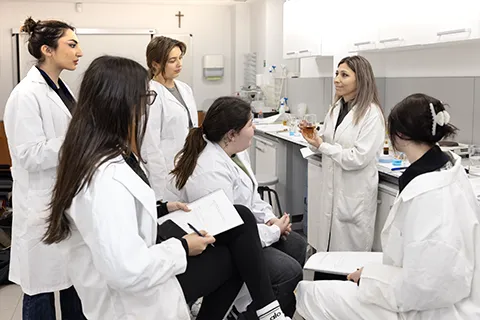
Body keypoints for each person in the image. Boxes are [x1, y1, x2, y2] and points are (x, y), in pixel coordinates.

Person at [42, 55, 292, 320]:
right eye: (145, 100)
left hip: (145, 257)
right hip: (134, 295)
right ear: (121, 104)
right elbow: (126, 269)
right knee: (236, 251)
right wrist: (183, 247)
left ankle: (268, 311)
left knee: (239, 217)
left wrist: (162, 208)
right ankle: (270, 312)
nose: (145, 110)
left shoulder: (101, 154)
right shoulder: (106, 178)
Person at [295, 93, 480, 320]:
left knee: (311, 293)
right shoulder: (448, 172)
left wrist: (371, 280)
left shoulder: (429, 196)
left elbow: (424, 286)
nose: (337, 80)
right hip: (429, 284)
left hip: (431, 308)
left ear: (399, 135)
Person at [170, 96, 307, 317]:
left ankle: (254, 304)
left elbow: (251, 198)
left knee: (297, 245)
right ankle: (250, 313)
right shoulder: (210, 170)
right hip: (223, 243)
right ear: (231, 134)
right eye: (251, 124)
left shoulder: (236, 153)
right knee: (289, 272)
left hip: (246, 230)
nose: (254, 129)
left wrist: (270, 218)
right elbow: (231, 229)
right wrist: (273, 231)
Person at [3, 17, 85, 319]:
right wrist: (77, 142)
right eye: (72, 44)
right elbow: (27, 154)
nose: (79, 51)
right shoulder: (26, 95)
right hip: (41, 205)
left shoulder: (61, 89)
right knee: (40, 289)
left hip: (64, 201)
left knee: (72, 283)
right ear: (48, 49)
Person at [300, 55, 385, 251]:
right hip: (332, 192)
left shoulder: (372, 114)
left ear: (361, 79)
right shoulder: (336, 108)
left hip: (353, 195)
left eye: (344, 75)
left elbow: (358, 157)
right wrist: (313, 139)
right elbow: (328, 142)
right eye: (337, 73)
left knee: (349, 261)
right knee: (328, 254)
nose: (337, 79)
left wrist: (322, 145)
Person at [142, 36, 198, 200]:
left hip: (188, 164)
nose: (179, 64)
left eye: (180, 58)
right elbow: (150, 144)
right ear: (155, 64)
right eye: (172, 60)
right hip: (167, 171)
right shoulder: (149, 94)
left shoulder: (185, 89)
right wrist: (159, 185)